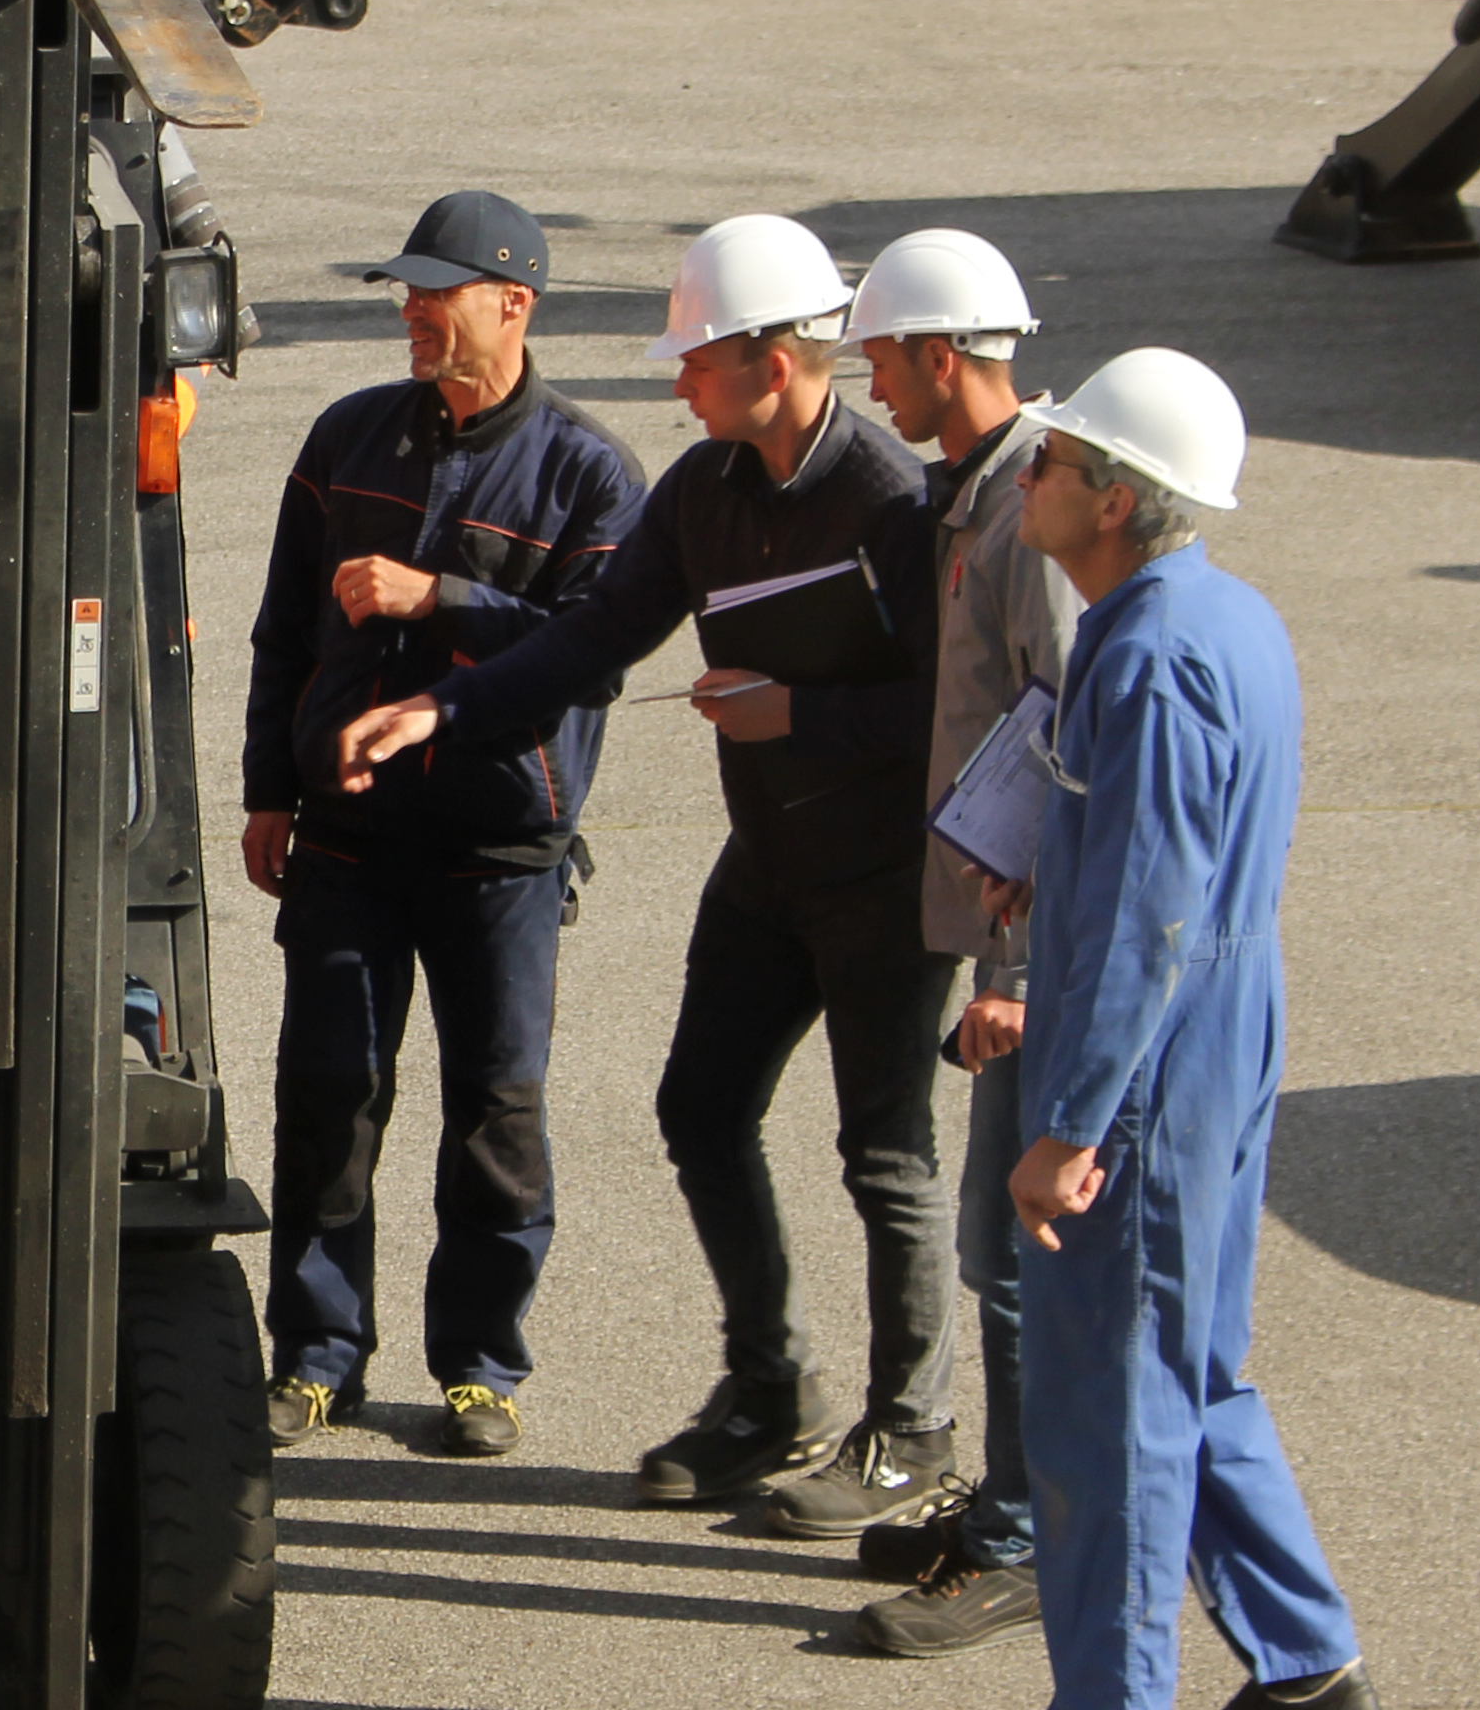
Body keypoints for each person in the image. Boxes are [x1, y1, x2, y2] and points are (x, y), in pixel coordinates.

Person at [333, 214, 950, 1509]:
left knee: (885, 1157)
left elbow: (967, 712)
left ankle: (913, 1431)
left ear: (771, 364)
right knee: (702, 1112)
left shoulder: (891, 504)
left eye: (694, 360)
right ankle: (771, 1389)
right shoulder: (703, 490)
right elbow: (593, 640)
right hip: (768, 865)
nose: (673, 382)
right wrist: (445, 706)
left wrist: (802, 716)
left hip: (885, 882)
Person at [238, 191, 645, 1460]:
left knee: (495, 1110)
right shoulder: (347, 436)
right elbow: (283, 631)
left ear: (511, 302)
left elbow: (595, 654)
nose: (411, 311)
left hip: (498, 853)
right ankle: (315, 1355)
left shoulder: (590, 470)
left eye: (435, 291)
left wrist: (441, 595)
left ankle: (478, 1365)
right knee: (326, 1095)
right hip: (349, 837)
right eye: (405, 291)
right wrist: (266, 785)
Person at [999, 350, 1371, 1710]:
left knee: (1116, 1420)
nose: (1028, 475)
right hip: (1222, 1028)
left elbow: (1152, 916)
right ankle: (1309, 1659)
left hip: (1148, 1059)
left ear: (1112, 502)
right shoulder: (1223, 616)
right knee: (1190, 1368)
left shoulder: (1148, 654)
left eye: (1052, 461)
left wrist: (1069, 1122)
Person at [820, 230, 1078, 1655]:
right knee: (999, 1249)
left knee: (1011, 1249)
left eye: (883, 357)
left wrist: (1016, 979)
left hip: (1027, 961)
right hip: (999, 936)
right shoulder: (977, 494)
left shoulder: (1030, 509)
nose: (874, 383)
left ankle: (1030, 1538)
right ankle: (1010, 1507)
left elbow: (1058, 746)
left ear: (938, 353)